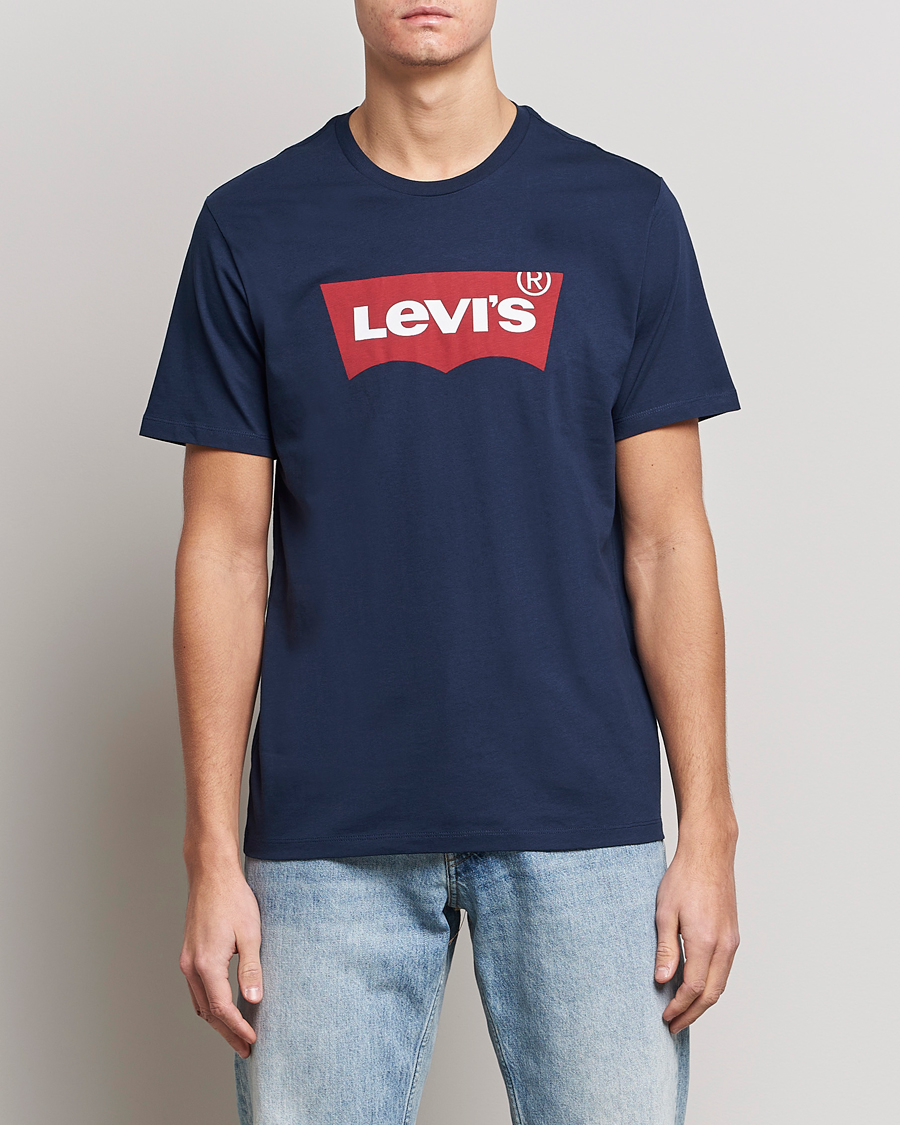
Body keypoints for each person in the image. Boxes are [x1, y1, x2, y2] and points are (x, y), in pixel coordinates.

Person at [140, 2, 741, 1122]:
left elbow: (668, 541)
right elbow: (221, 551)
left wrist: (711, 829)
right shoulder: (252, 227)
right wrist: (210, 854)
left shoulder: (623, 216)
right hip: (325, 841)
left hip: (584, 825)